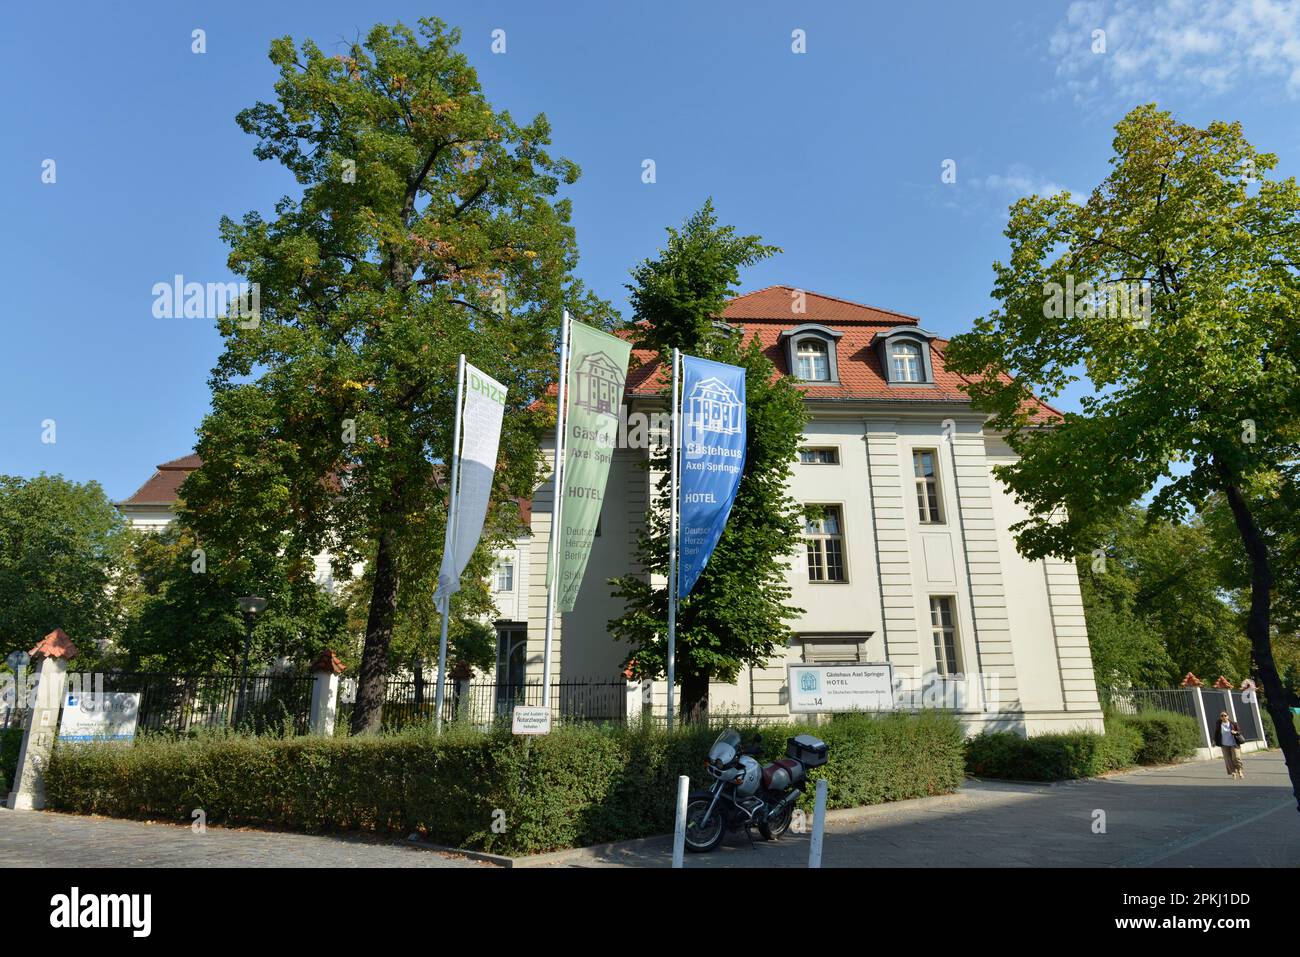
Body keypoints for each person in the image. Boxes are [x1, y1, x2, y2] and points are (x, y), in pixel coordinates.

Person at [1216, 710, 1245, 779]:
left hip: (1234, 744)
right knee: (1228, 760)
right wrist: (1214, 740)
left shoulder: (1233, 724)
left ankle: (1239, 770)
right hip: (1224, 745)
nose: (1223, 717)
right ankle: (1233, 772)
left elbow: (1240, 731)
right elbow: (1216, 733)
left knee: (1236, 758)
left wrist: (1235, 732)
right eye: (1222, 716)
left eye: (1225, 715)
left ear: (1228, 716)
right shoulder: (1219, 725)